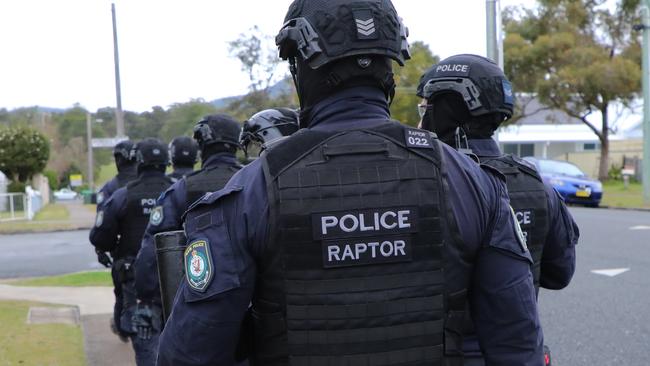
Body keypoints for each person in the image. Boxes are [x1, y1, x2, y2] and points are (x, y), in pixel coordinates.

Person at [157, 1, 544, 365]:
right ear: (391, 65)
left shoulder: (248, 193)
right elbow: (517, 345)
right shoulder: (474, 182)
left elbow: (190, 354)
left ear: (300, 64)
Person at [417, 53, 579, 364]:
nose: (422, 118)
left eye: (426, 108)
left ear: (448, 109)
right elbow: (560, 274)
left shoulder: (427, 181)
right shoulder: (538, 185)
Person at [132, 114, 244, 357]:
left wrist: (145, 297)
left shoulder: (182, 189)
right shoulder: (257, 179)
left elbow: (153, 252)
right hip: (254, 307)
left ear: (202, 145)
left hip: (199, 306)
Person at [89, 138, 174, 366]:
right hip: (177, 281)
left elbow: (99, 236)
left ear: (139, 162)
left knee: (146, 345)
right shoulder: (181, 189)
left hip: (136, 283)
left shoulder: (122, 195)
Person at [93, 140, 138, 269]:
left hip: (124, 259)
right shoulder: (150, 183)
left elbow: (102, 224)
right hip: (153, 256)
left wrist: (100, 250)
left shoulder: (109, 188)